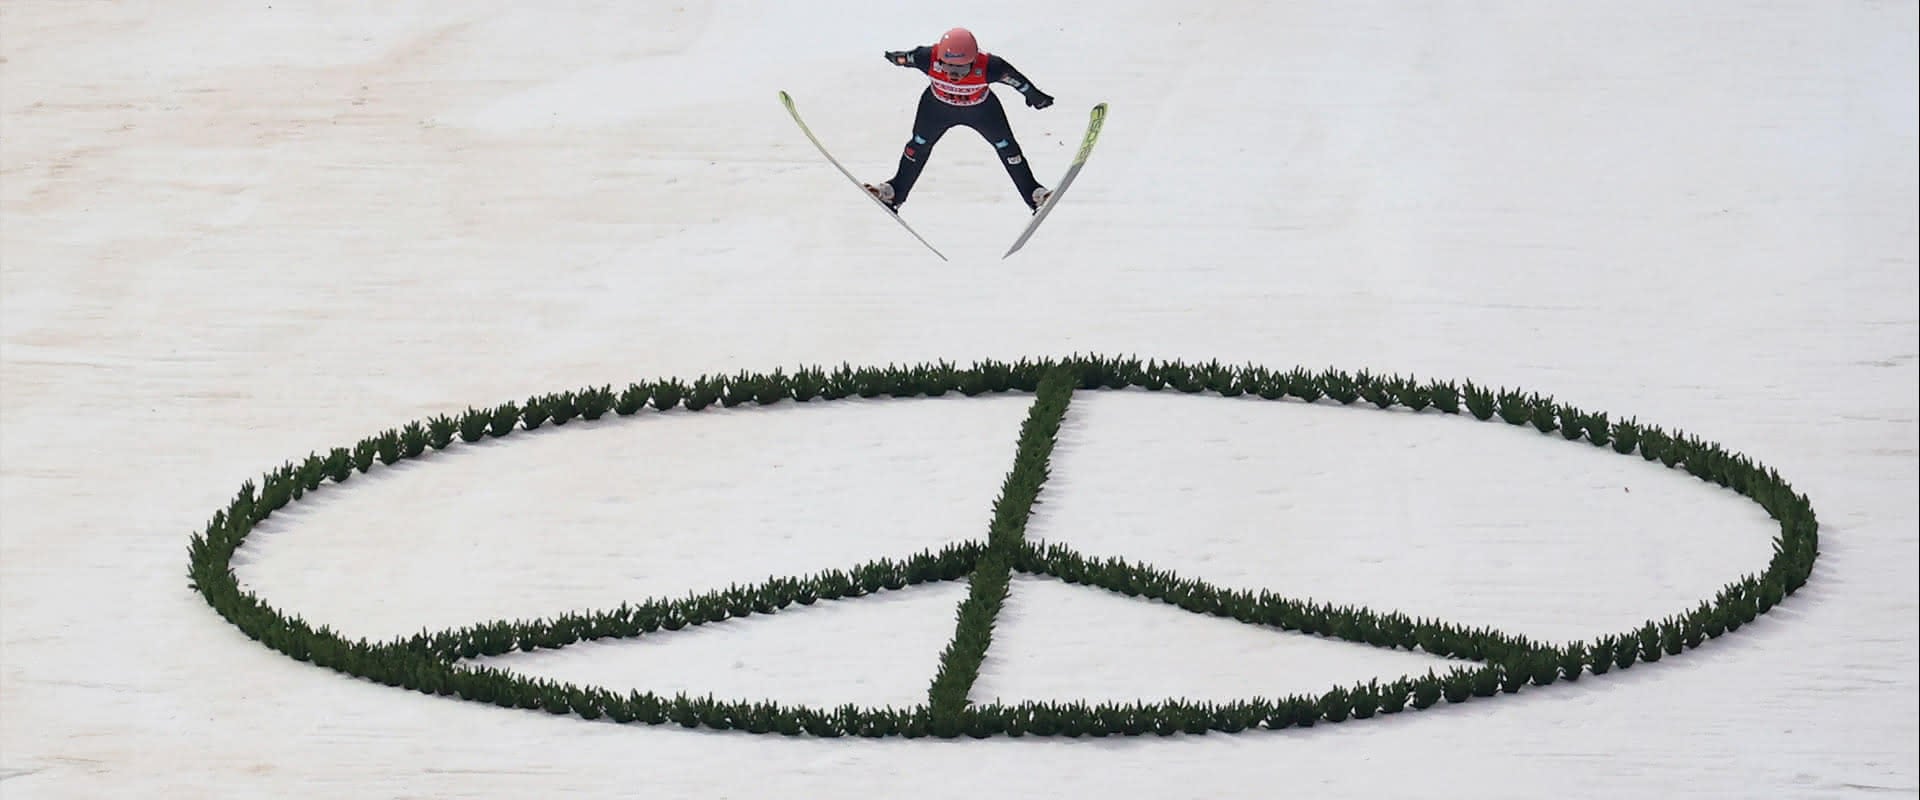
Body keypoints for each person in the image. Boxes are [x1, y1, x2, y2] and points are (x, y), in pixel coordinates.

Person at [864, 28, 1057, 214]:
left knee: (1008, 148)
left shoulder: (990, 66)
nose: (953, 74)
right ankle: (894, 192)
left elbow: (1017, 81)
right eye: (947, 66)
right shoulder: (927, 57)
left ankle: (1034, 194)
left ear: (974, 60)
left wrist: (1035, 96)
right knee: (918, 146)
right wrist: (895, 58)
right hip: (937, 109)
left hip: (981, 111)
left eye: (962, 67)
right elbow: (905, 58)